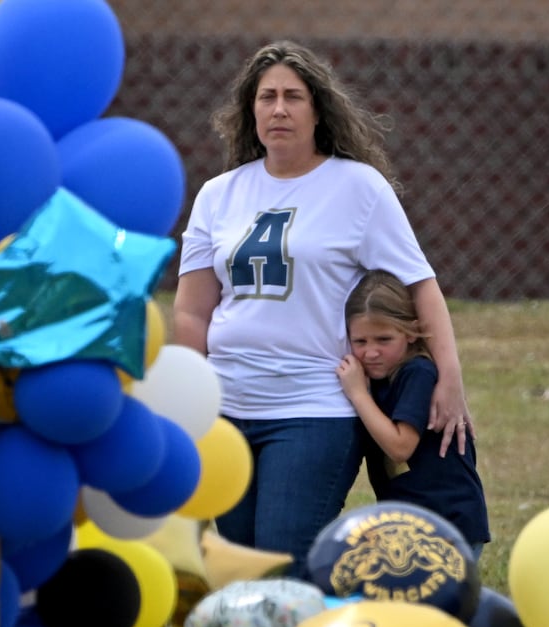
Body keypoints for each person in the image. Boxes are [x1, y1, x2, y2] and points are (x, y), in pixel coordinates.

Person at [173, 40, 472, 575]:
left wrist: (449, 377)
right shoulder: (218, 195)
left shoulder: (358, 188)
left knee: (282, 568)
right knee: (238, 570)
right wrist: (188, 401)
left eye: (293, 96)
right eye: (266, 98)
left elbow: (421, 286)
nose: (279, 109)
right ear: (250, 111)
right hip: (226, 409)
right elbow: (193, 312)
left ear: (318, 110)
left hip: (313, 409)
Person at [337, 269, 491, 557]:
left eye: (383, 340)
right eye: (361, 342)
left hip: (448, 526)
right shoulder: (379, 379)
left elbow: (400, 447)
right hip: (410, 528)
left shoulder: (417, 373)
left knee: (437, 603)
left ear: (410, 332)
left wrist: (358, 394)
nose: (371, 352)